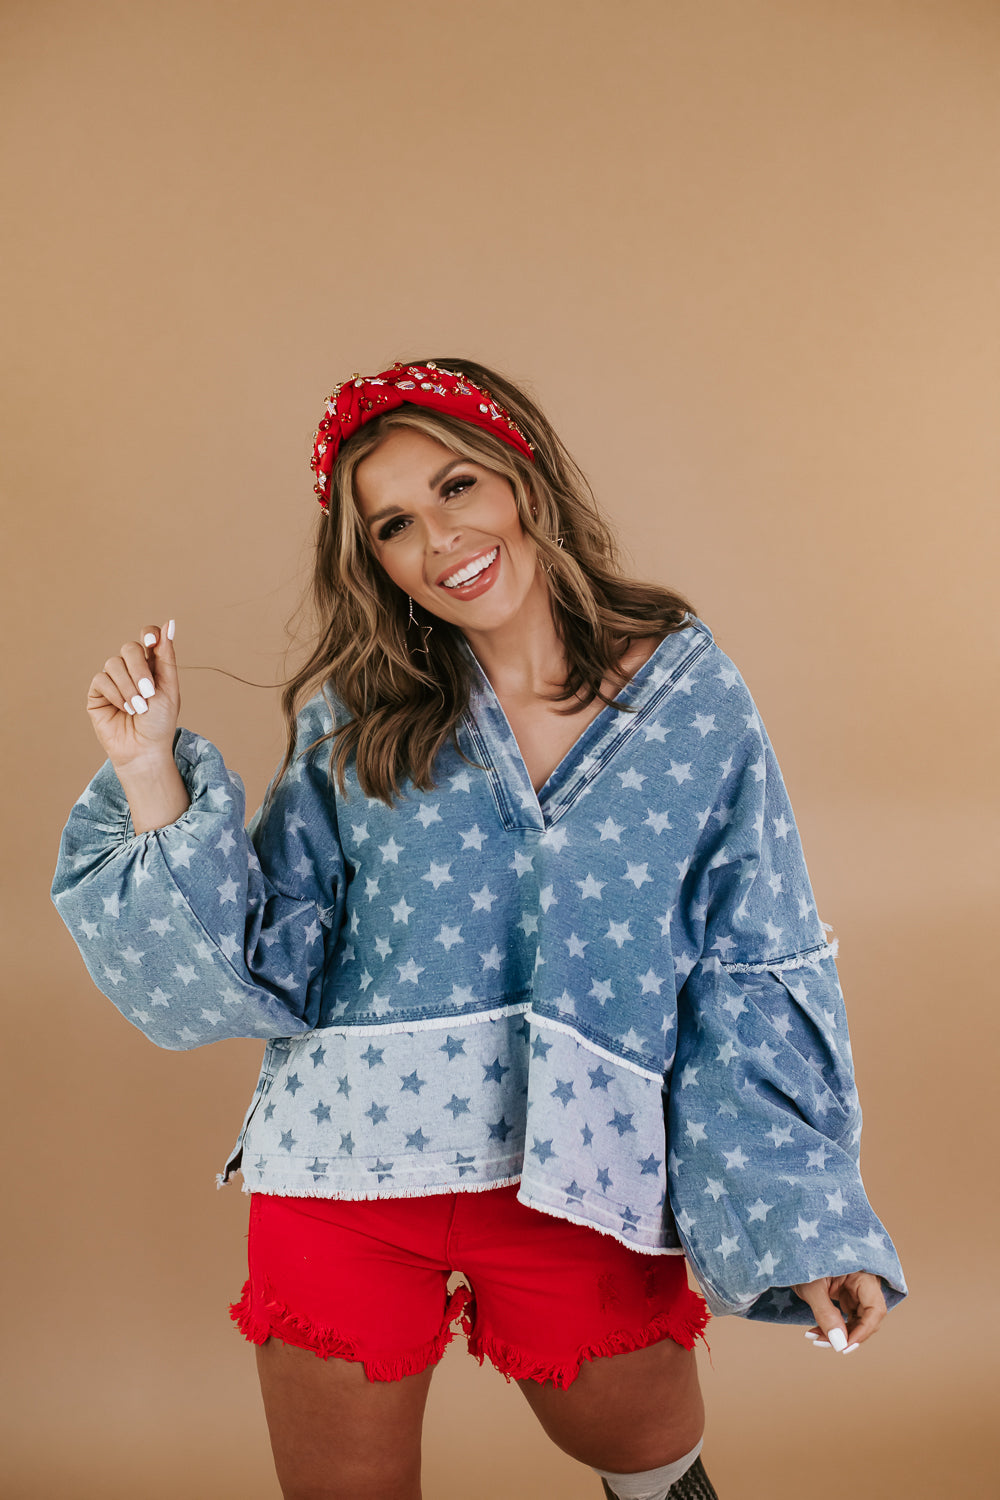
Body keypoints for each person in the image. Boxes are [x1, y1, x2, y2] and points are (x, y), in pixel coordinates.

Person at [52, 358, 906, 1500]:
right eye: (394, 525)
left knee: (656, 1473)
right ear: (375, 562)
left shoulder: (692, 700)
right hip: (345, 1176)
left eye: (456, 486)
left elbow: (744, 971)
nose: (440, 538)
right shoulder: (357, 715)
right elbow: (262, 964)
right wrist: (147, 770)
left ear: (523, 475)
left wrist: (807, 1223)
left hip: (583, 1178)